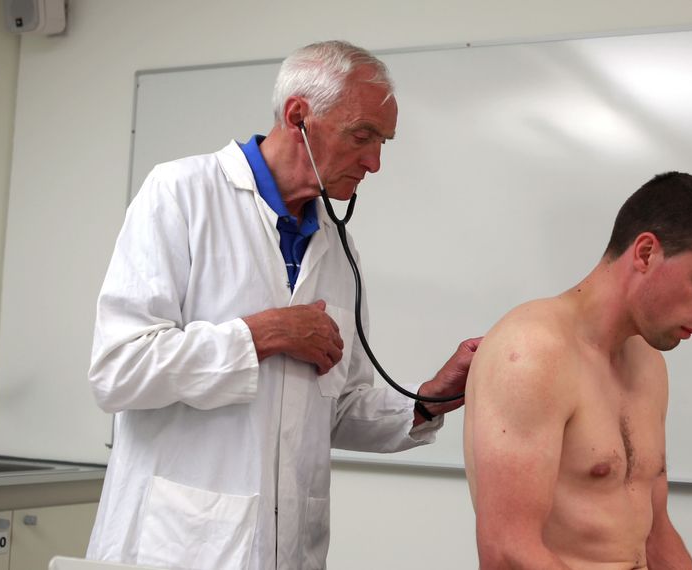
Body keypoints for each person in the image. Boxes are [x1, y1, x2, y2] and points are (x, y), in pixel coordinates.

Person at [86, 41, 479, 570]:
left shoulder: (336, 248)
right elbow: (118, 370)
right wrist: (262, 334)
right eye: (363, 136)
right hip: (176, 547)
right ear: (299, 116)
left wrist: (426, 400)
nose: (375, 163)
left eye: (383, 142)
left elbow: (333, 407)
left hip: (289, 549)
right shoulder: (180, 193)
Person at [463, 172, 692, 569]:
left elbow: (655, 533)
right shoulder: (532, 351)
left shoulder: (649, 364)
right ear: (646, 252)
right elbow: (506, 550)